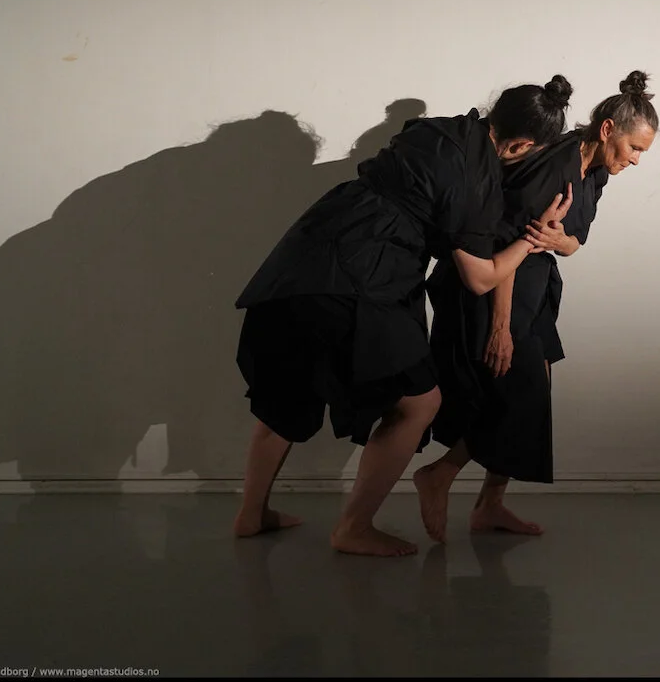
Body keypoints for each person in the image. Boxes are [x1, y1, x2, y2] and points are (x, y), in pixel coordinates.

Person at [231, 77, 577, 557]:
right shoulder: (476, 179)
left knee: (285, 395)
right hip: (363, 276)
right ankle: (353, 528)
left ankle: (251, 514)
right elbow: (480, 278)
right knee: (419, 402)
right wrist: (532, 240)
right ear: (520, 145)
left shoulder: (439, 129)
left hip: (300, 260)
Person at [415, 72, 659, 541]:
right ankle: (439, 475)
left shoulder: (597, 172)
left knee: (533, 390)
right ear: (607, 129)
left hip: (534, 284)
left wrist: (559, 241)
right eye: (634, 148)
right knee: (514, 390)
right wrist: (500, 327)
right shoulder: (554, 163)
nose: (636, 160)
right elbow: (500, 240)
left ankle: (489, 504)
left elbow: (572, 242)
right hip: (496, 285)